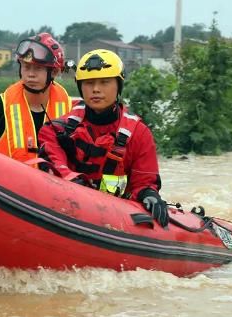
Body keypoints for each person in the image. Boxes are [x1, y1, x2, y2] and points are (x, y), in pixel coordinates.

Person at [37, 49, 169, 227]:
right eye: (89, 83)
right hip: (71, 209)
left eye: (104, 82)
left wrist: (149, 195)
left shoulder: (139, 133)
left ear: (118, 86)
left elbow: (145, 181)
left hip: (119, 219)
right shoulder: (57, 130)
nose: (96, 89)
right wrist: (76, 184)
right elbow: (54, 165)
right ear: (80, 87)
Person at [0, 33, 71, 164]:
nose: (30, 74)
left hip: (54, 183)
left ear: (54, 72)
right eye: (26, 67)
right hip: (8, 183)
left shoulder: (71, 110)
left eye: (38, 68)